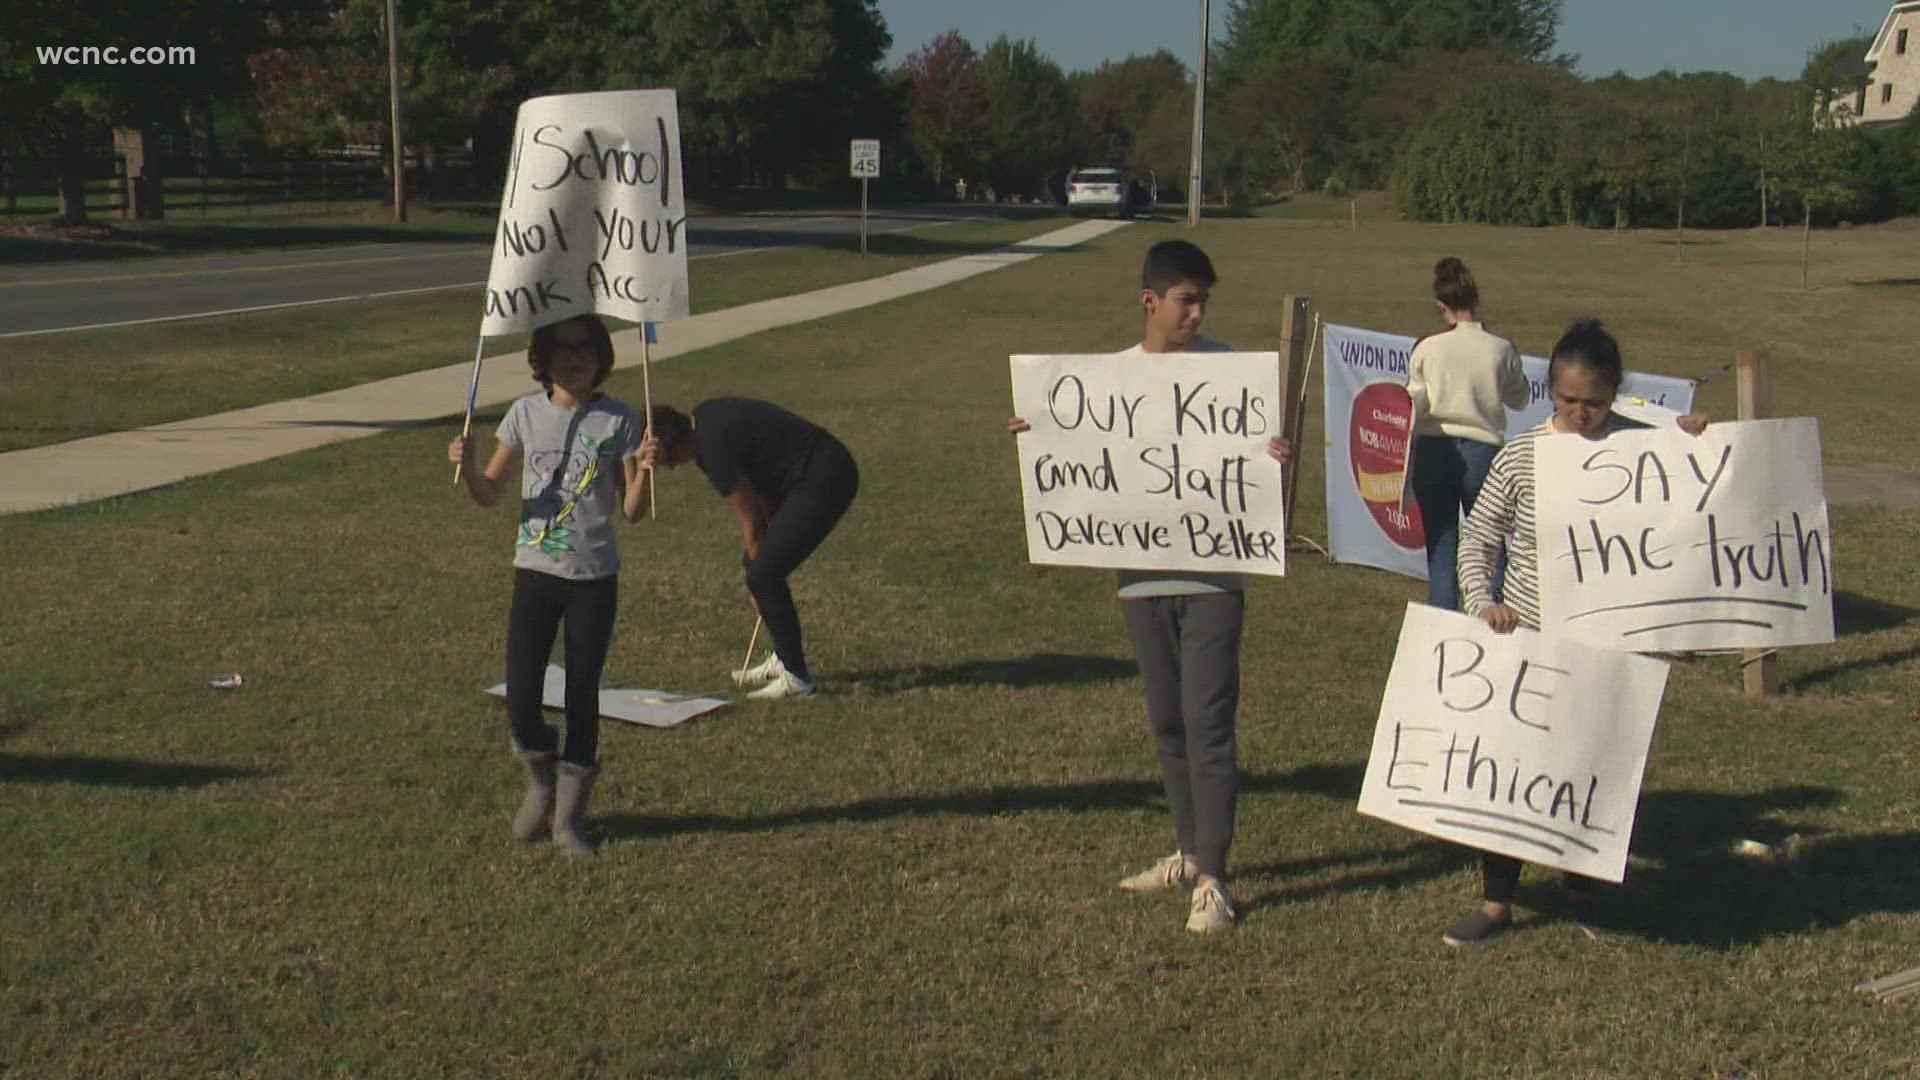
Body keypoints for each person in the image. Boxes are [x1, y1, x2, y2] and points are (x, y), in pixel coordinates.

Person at [1008, 239, 1291, 933]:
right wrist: (1038, 432)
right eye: (1185, 300)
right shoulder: (1112, 379)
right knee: (1168, 720)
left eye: (1203, 301)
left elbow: (1252, 467)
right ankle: (1189, 852)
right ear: (1150, 301)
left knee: (1209, 721)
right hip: (1140, 576)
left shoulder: (1231, 375)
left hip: (1215, 575)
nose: (1196, 312)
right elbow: (1085, 445)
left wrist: (1275, 454)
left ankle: (1215, 879)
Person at [1445, 318, 1708, 946]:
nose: (1582, 413)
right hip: (1531, 639)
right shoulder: (1523, 455)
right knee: (1515, 767)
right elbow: (1479, 538)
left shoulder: (1644, 453)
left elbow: (1686, 514)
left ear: (1615, 393)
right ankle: (1496, 902)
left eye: (1594, 402)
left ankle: (1582, 888)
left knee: (1594, 762)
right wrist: (1484, 604)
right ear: (1549, 392)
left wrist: (1694, 441)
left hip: (1610, 645)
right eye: (1568, 400)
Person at [447, 313, 653, 856]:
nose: (574, 358)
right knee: (521, 695)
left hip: (593, 578)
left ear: (602, 356)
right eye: (561, 349)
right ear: (542, 360)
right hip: (535, 574)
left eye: (585, 348)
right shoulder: (523, 414)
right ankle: (539, 778)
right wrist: (468, 470)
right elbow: (490, 492)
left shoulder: (619, 419)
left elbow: (632, 511)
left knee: (583, 695)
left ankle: (568, 819)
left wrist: (644, 470)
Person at [641, 399, 859, 701]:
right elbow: (760, 475)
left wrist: (760, 588)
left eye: (667, 460)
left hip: (825, 476)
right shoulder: (703, 418)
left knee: (764, 575)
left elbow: (752, 522)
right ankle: (782, 657)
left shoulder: (711, 450)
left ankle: (797, 679)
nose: (673, 467)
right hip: (805, 473)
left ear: (668, 439)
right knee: (757, 567)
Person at [1405, 257, 1530, 612]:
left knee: (1442, 543)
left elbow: (1417, 402)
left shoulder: (1427, 348)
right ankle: (1498, 613)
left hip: (1433, 449)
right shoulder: (1501, 348)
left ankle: (1443, 618)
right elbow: (1520, 398)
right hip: (1484, 452)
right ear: (1475, 301)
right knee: (1490, 544)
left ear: (1441, 306)